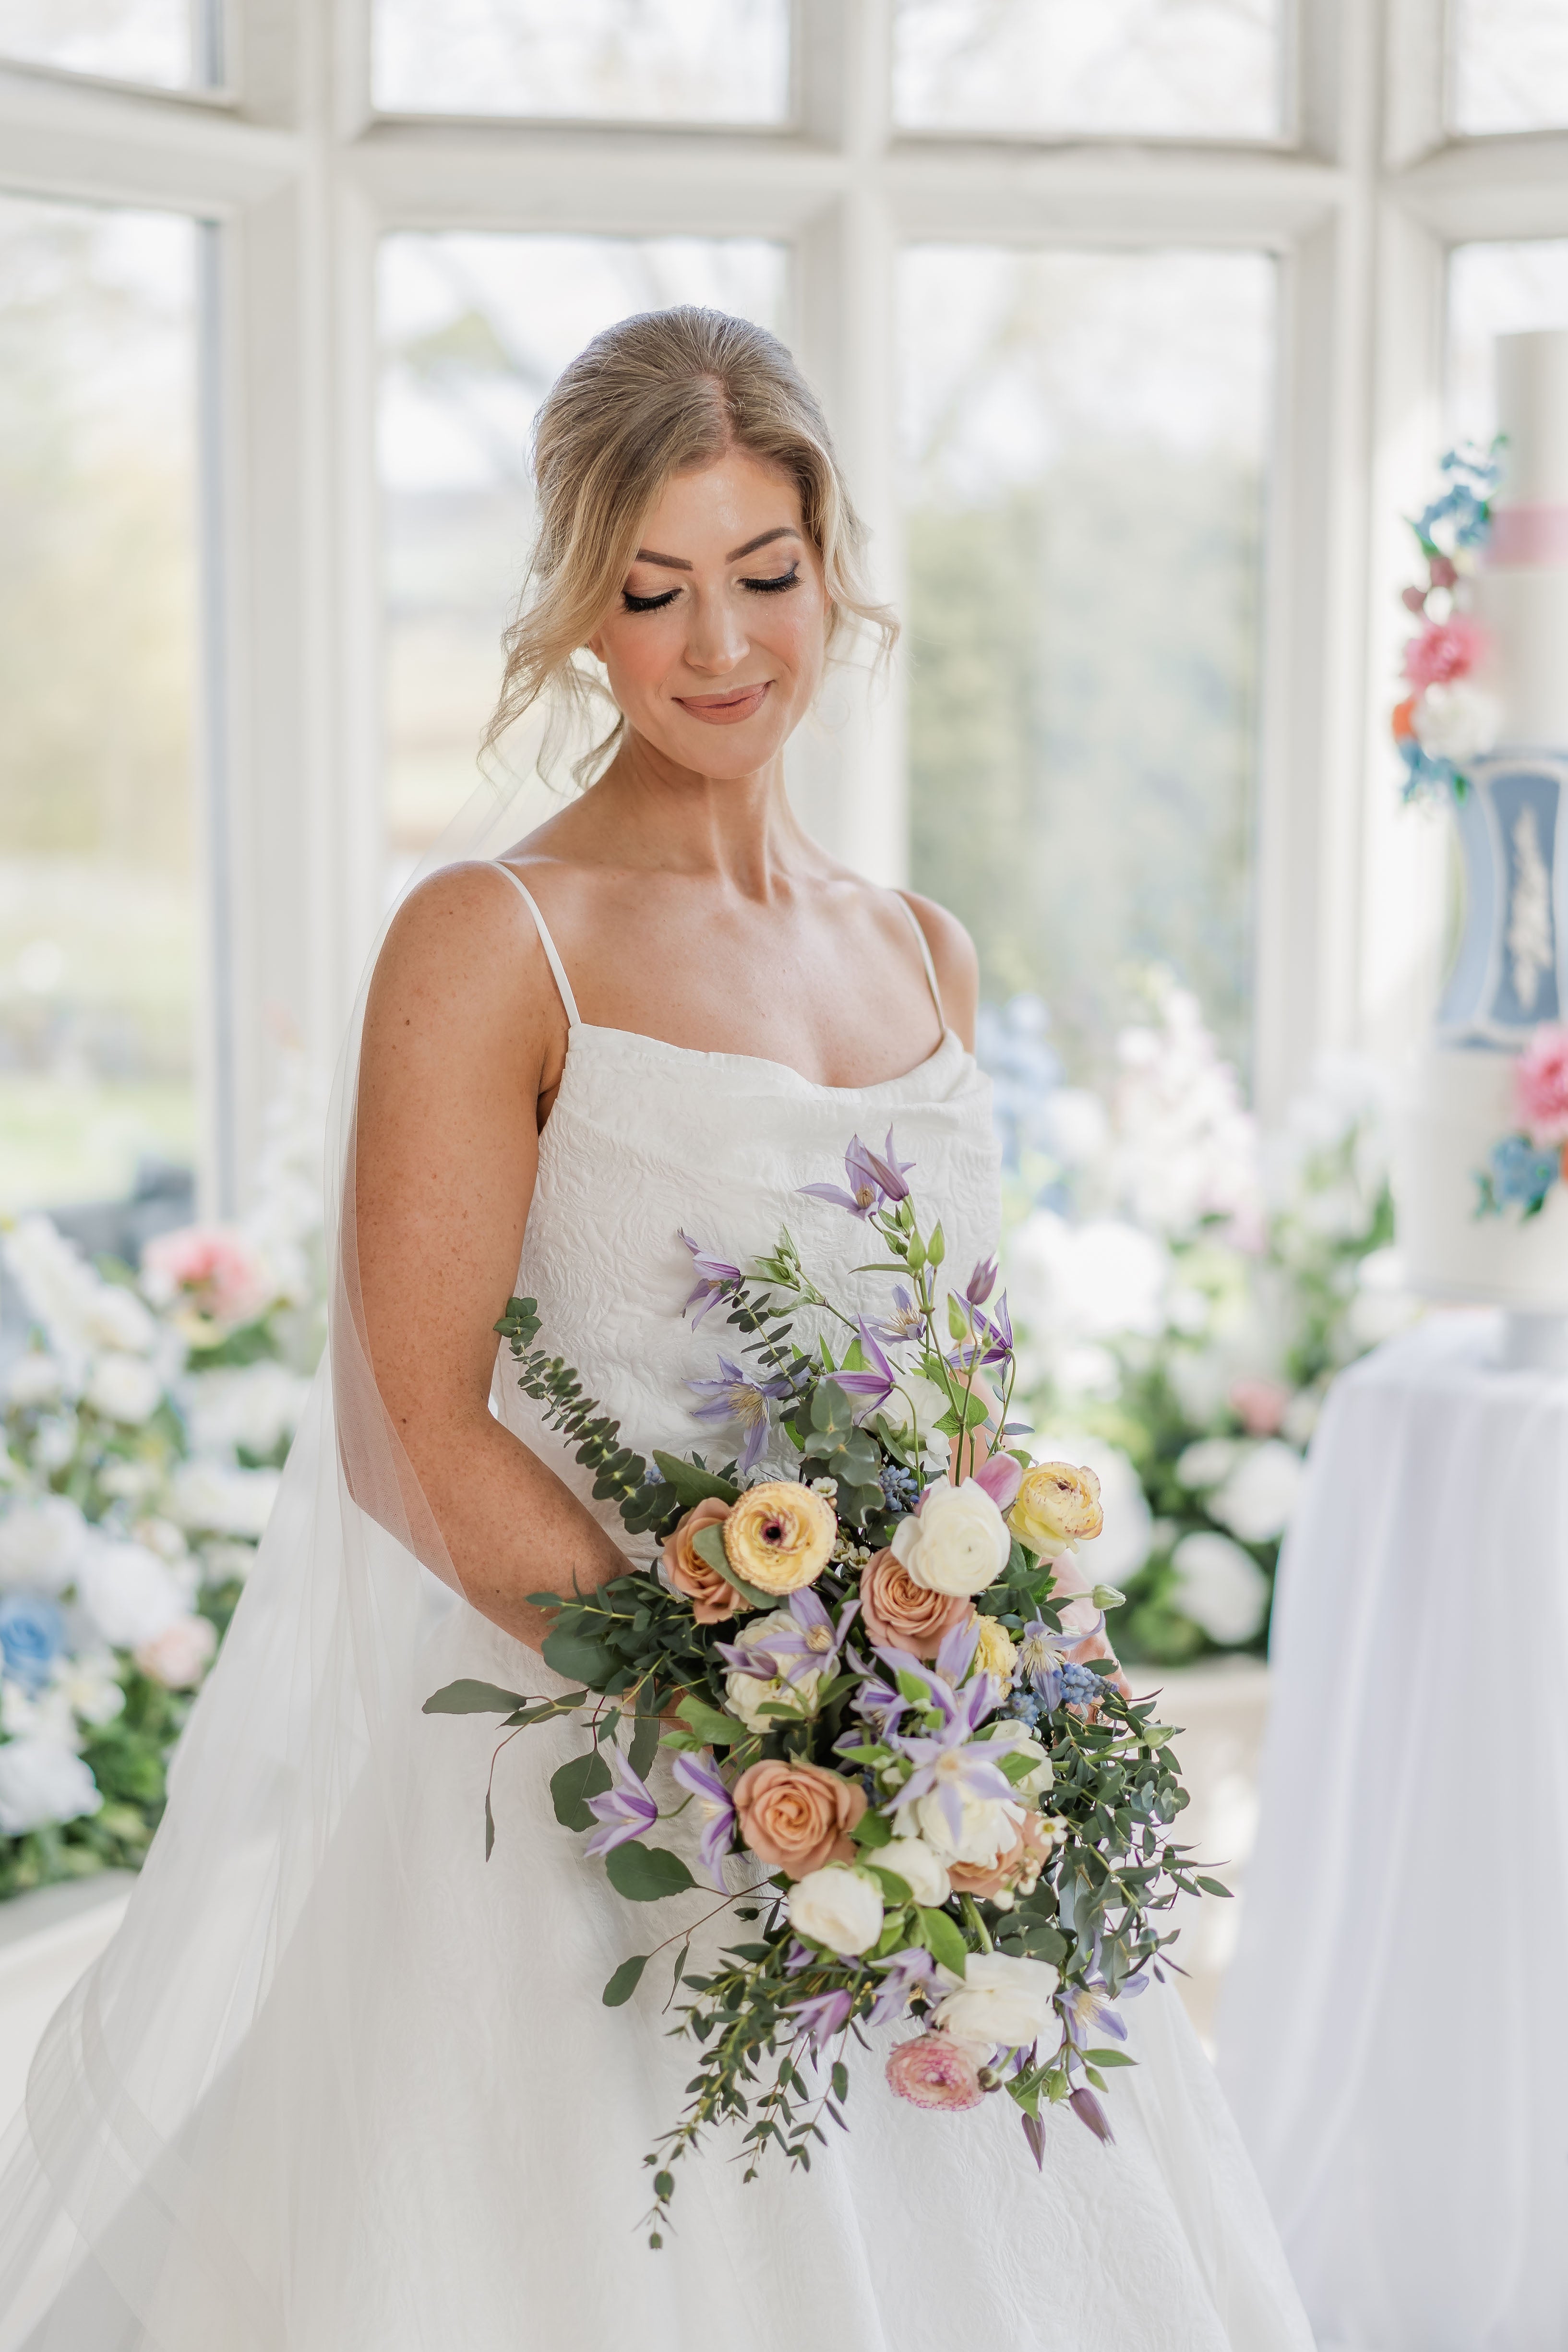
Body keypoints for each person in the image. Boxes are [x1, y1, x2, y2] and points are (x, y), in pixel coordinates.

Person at [0, 308, 1312, 2351]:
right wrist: (742, 1734)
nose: (721, 644)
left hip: (924, 1797)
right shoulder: (489, 936)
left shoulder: (922, 949)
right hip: (596, 1798)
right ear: (578, 615)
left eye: (764, 575)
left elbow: (952, 1417)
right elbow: (410, 1426)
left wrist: (962, 1727)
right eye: (653, 589)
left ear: (833, 572)